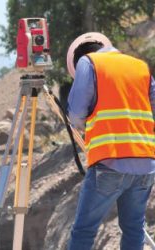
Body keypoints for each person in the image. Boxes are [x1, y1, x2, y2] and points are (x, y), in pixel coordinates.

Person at [66, 32, 155, 250]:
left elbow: (76, 112)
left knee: (84, 231)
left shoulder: (89, 63)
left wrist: (84, 124)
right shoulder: (140, 67)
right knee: (134, 228)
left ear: (80, 58)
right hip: (145, 164)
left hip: (109, 162)